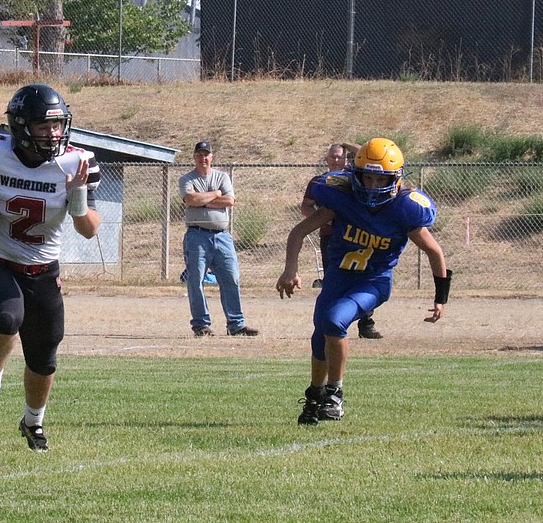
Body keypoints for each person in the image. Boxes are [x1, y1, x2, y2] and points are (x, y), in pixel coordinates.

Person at [0, 83, 101, 452]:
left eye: (58, 125)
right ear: (19, 126)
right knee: (6, 318)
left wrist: (77, 199)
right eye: (44, 126)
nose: (54, 134)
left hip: (44, 271)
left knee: (44, 357)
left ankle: (33, 422)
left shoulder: (76, 163)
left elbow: (89, 229)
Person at [276, 137, 452, 425]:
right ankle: (315, 396)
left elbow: (434, 251)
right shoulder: (342, 199)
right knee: (320, 336)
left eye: (379, 179)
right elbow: (298, 232)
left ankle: (335, 394)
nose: (371, 186)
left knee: (334, 321)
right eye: (366, 178)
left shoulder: (405, 208)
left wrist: (440, 298)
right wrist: (290, 269)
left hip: (373, 282)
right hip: (338, 278)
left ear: (394, 179)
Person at [301, 143, 384, 340]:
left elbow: (368, 154)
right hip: (331, 237)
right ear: (327, 160)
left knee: (362, 279)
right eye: (332, 157)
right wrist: (324, 219)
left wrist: (347, 144)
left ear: (346, 159)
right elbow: (306, 207)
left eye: (340, 156)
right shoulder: (319, 182)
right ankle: (331, 323)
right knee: (333, 279)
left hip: (356, 236)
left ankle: (366, 324)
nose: (336, 160)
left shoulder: (354, 178)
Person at [179, 140, 259, 338]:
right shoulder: (186, 179)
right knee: (196, 280)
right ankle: (201, 325)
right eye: (199, 154)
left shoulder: (222, 176)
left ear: (211, 157)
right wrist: (215, 194)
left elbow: (230, 200)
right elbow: (190, 200)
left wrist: (202, 201)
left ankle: (236, 324)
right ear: (194, 157)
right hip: (197, 235)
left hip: (222, 236)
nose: (203, 158)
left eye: (206, 154)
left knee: (231, 278)